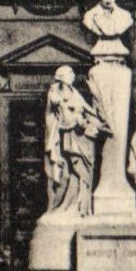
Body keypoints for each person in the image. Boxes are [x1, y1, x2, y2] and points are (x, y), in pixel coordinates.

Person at [43, 66, 110, 216]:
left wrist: (99, 116)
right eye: (70, 73)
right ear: (61, 77)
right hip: (71, 136)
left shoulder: (75, 92)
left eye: (73, 73)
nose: (73, 75)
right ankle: (73, 207)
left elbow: (86, 108)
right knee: (78, 170)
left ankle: (80, 207)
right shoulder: (55, 92)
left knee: (85, 171)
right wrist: (76, 118)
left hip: (83, 136)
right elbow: (62, 110)